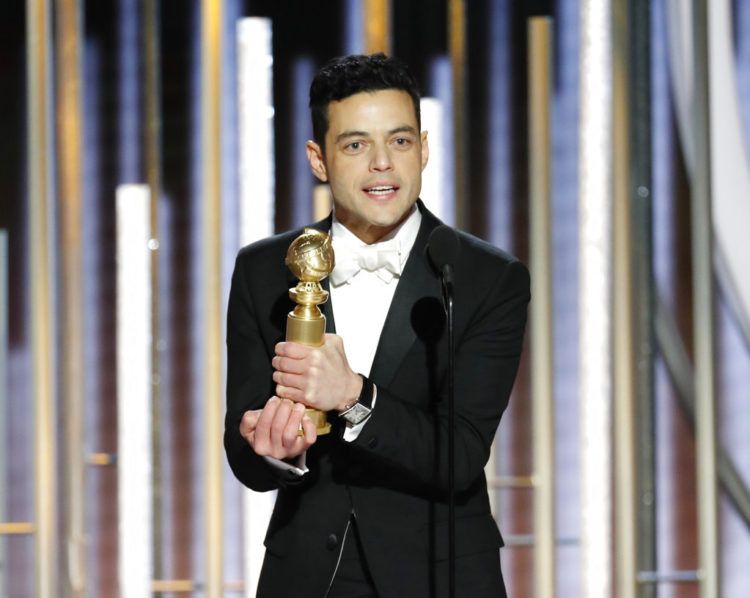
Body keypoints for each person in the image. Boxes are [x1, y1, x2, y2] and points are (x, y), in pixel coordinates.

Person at [224, 53, 530, 598]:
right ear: (318, 159)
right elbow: (246, 453)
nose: (383, 163)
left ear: (425, 148)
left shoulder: (487, 277)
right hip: (307, 575)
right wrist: (275, 449)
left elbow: (459, 455)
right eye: (356, 144)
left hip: (442, 573)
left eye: (401, 141)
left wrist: (353, 396)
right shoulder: (264, 268)